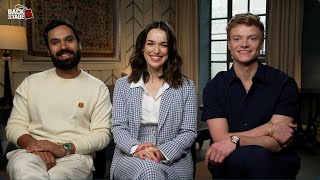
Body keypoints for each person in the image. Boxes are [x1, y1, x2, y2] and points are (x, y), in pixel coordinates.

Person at [5, 19, 112, 179]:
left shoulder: (97, 88)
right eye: (55, 42)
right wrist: (38, 147)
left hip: (75, 157)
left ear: (79, 44)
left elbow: (102, 134)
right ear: (48, 50)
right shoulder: (30, 83)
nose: (63, 47)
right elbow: (14, 126)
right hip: (30, 153)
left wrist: (64, 148)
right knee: (24, 170)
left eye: (69, 40)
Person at [202, 13, 301, 179]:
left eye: (252, 38)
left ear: (261, 44)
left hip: (274, 162)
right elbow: (220, 140)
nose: (244, 44)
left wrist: (235, 140)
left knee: (257, 157)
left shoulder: (284, 84)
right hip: (227, 161)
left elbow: (278, 143)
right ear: (229, 44)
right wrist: (270, 128)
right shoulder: (214, 87)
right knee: (242, 158)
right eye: (237, 39)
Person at [110, 21, 197, 180]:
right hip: (131, 156)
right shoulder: (123, 85)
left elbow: (188, 132)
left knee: (151, 171)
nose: (156, 50)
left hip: (173, 158)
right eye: (150, 43)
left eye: (163, 45)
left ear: (170, 50)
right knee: (149, 170)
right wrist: (136, 148)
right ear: (142, 47)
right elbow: (118, 127)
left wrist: (162, 152)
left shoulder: (186, 86)